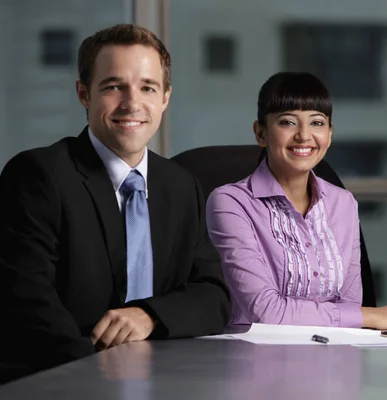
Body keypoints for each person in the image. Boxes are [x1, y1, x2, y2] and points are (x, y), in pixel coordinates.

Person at [0, 24, 231, 383]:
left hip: (161, 378)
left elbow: (214, 296)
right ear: (83, 93)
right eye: (113, 86)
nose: (132, 103)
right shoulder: (37, 175)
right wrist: (102, 377)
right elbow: (29, 305)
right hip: (60, 380)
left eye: (147, 87)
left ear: (165, 97)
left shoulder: (181, 185)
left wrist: (148, 315)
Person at [206, 72, 387, 329]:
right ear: (261, 134)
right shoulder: (230, 203)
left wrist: (355, 315)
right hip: (257, 359)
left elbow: (350, 302)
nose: (304, 135)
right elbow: (265, 311)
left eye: (317, 122)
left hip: (333, 358)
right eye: (288, 122)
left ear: (330, 134)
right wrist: (371, 316)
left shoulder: (343, 203)